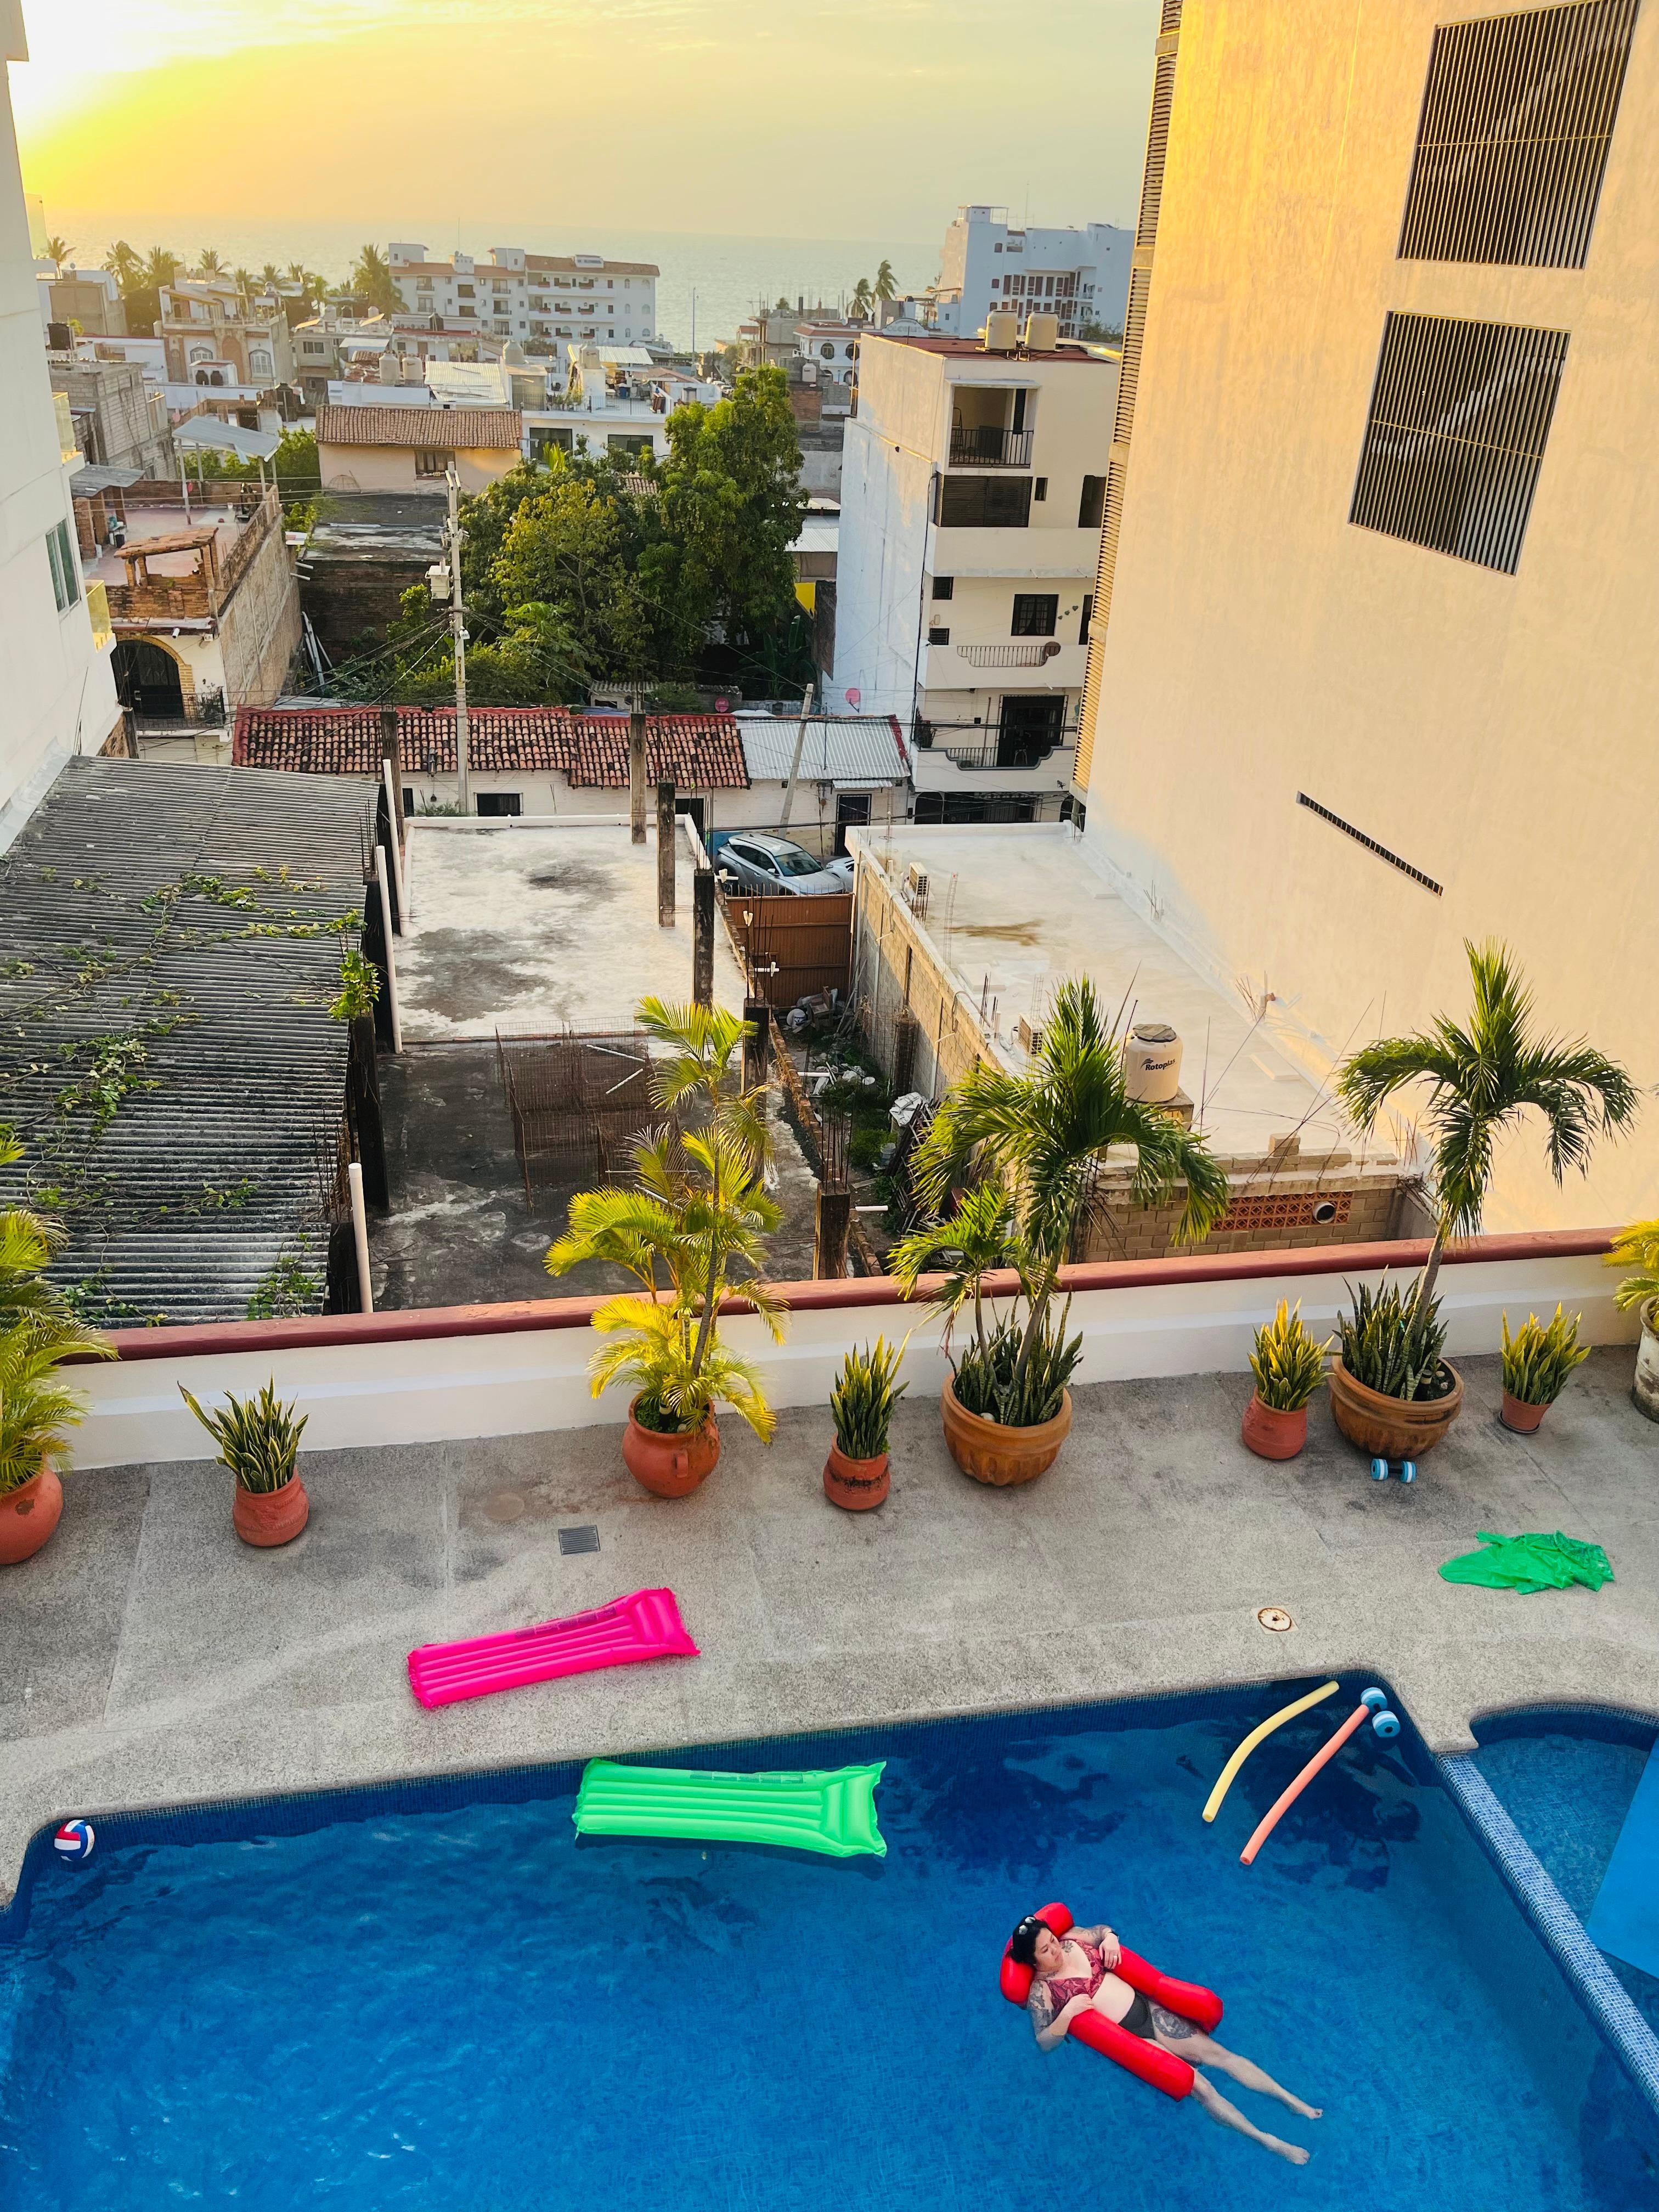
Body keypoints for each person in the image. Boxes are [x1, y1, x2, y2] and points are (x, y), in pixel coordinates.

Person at [1009, 1915, 1320, 2166]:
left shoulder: (1073, 1939)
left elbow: (1100, 1930)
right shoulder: (1042, 1992)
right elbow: (1044, 2042)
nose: (1055, 1949)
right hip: (1131, 2039)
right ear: (1033, 1962)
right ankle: (1268, 2141)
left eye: (1052, 1940)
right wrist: (1067, 2014)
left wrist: (1110, 1937)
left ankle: (1290, 2100)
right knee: (1201, 2088)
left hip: (1150, 2011)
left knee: (1222, 2056)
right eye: (1046, 1950)